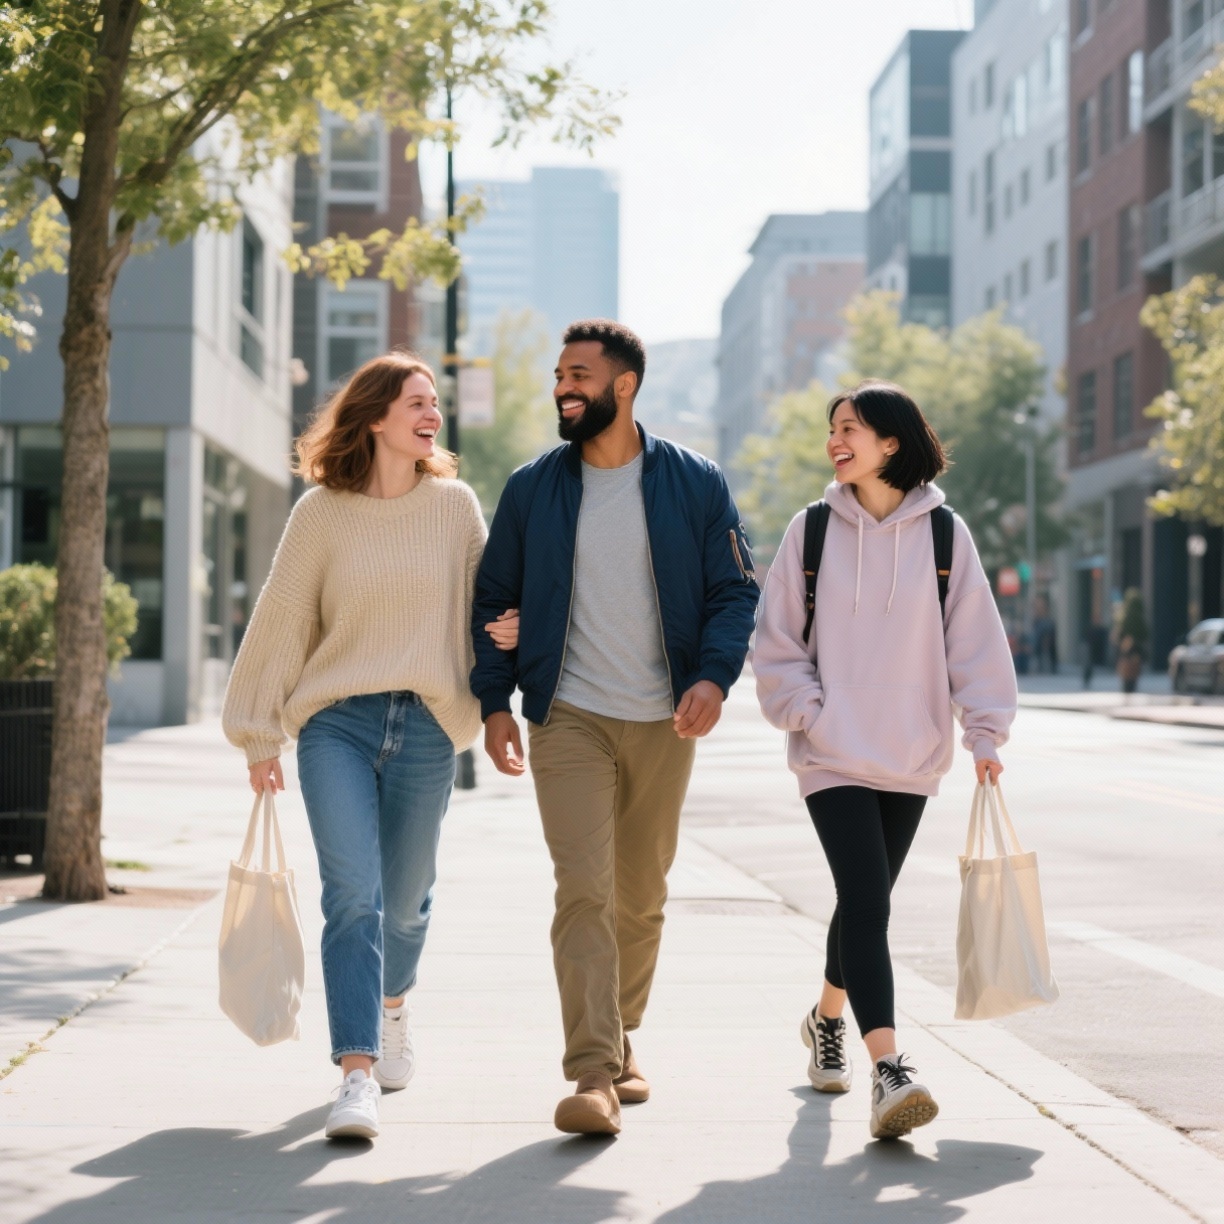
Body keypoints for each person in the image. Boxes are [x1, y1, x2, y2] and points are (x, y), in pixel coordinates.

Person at [470, 319, 759, 1136]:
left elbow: (735, 591)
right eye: (559, 375)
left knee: (641, 897)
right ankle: (592, 1072)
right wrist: (496, 704)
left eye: (579, 375)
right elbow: (492, 600)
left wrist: (712, 676)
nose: (563, 387)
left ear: (623, 386)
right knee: (584, 891)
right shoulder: (533, 489)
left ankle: (625, 1034)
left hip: (664, 720)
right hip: (569, 718)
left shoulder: (695, 482)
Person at [222, 353, 514, 1141]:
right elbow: (283, 619)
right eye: (417, 402)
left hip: (425, 725)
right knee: (353, 897)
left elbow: (488, 603)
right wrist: (258, 730)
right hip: (336, 726)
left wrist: (507, 638)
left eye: (435, 405)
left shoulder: (454, 507)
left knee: (408, 903)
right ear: (376, 416)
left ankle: (391, 1010)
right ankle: (356, 1074)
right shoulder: (321, 512)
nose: (432, 416)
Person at [752, 380, 1017, 1141]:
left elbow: (974, 639)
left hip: (911, 751)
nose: (836, 441)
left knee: (858, 902)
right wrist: (809, 714)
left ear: (892, 442)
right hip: (832, 753)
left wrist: (986, 734)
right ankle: (891, 1068)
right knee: (869, 902)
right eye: (832, 429)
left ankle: (825, 1017)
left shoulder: (943, 536)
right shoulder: (810, 532)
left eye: (851, 429)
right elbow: (777, 641)